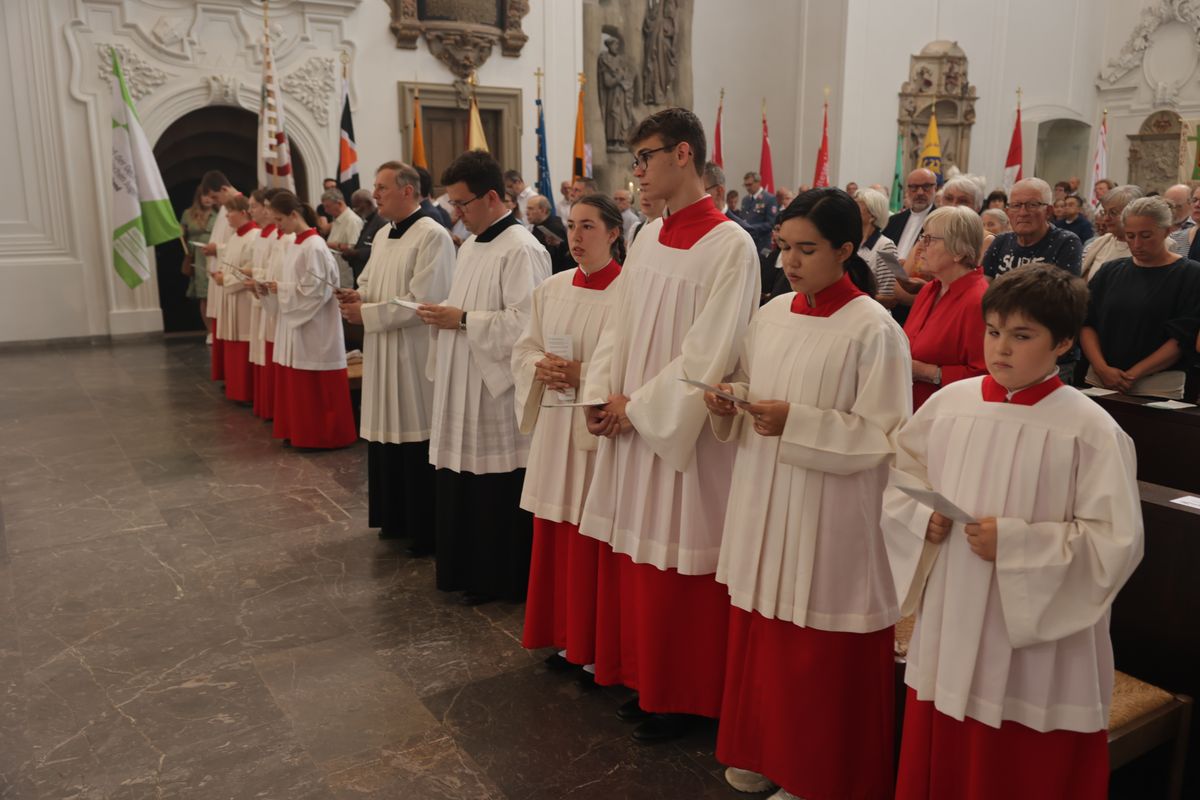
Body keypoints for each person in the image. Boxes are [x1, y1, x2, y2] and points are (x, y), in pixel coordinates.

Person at [883, 263, 1144, 800]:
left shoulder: (1091, 430)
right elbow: (902, 475)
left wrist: (1020, 543)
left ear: (1064, 343)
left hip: (1035, 631)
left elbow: (1114, 543)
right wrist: (920, 519)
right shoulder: (949, 404)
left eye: (1022, 336)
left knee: (1019, 765)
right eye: (993, 331)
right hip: (954, 606)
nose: (1001, 348)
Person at [707, 188, 909, 800]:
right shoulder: (771, 314)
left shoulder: (873, 330)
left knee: (815, 644)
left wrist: (795, 419)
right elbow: (751, 380)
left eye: (807, 249)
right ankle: (764, 749)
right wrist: (729, 397)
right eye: (784, 247)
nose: (790, 261)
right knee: (764, 625)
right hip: (766, 491)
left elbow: (885, 436)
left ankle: (817, 773)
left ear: (847, 251)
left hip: (831, 508)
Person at [580, 108, 759, 743]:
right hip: (631, 418)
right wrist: (601, 396)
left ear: (683, 155)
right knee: (637, 551)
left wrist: (644, 405)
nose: (638, 173)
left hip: (678, 430)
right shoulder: (649, 236)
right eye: (635, 161)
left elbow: (712, 349)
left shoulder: (730, 244)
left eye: (645, 158)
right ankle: (648, 680)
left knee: (680, 560)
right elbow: (618, 324)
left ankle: (685, 695)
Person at [418, 150, 551, 605]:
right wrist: (447, 317)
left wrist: (461, 320)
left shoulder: (522, 248)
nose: (456, 214)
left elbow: (526, 325)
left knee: (494, 484)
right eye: (453, 204)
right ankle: (468, 570)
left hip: (495, 393)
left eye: (462, 204)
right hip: (463, 379)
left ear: (492, 197)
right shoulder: (472, 245)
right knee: (462, 479)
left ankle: (501, 576)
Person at [516, 194, 626, 671]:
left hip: (595, 431)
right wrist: (540, 367)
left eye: (588, 227)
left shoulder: (632, 294)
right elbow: (524, 348)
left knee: (592, 538)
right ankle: (566, 635)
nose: (577, 237)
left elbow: (633, 368)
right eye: (572, 226)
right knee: (558, 533)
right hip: (554, 428)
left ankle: (597, 646)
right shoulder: (552, 288)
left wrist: (585, 375)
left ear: (614, 234)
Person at [337, 161, 455, 550]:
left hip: (413, 353)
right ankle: (394, 516)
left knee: (413, 433)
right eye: (375, 186)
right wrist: (359, 296)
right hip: (384, 349)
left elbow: (424, 301)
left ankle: (422, 527)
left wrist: (366, 313)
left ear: (408, 190)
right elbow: (370, 281)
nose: (376, 194)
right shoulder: (386, 234)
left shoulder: (432, 235)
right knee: (386, 431)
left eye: (382, 187)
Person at [1081, 196, 1200, 399]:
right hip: (1101, 379)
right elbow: (1086, 322)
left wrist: (1132, 375)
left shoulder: (1190, 275)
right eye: (1130, 236)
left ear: (1167, 230)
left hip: (1158, 386)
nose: (1136, 244)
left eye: (1146, 236)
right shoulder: (1110, 271)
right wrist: (1102, 368)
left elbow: (1182, 337)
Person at [266, 190, 357, 449]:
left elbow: (316, 290)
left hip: (315, 324)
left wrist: (281, 289)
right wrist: (275, 286)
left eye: (279, 220)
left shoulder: (314, 245)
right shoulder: (298, 242)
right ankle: (300, 432)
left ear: (294, 215)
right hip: (298, 321)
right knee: (297, 381)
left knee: (316, 385)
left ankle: (323, 436)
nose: (276, 226)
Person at [903, 206, 989, 409]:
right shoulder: (929, 290)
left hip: (949, 414)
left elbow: (985, 376)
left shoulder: (978, 301)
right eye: (922, 238)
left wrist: (928, 372)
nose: (920, 247)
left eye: (929, 239)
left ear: (958, 251)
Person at [214, 194, 259, 403]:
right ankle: (236, 390)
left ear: (243, 213)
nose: (227, 218)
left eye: (230, 213)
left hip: (245, 301)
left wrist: (228, 279)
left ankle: (248, 392)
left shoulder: (254, 237)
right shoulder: (234, 237)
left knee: (245, 341)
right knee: (233, 342)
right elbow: (228, 264)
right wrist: (220, 274)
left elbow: (252, 270)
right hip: (232, 299)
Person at [199, 171, 241, 379]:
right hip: (220, 274)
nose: (215, 202)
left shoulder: (241, 207)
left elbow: (243, 244)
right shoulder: (225, 208)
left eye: (215, 197)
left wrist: (218, 249)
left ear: (224, 189)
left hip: (233, 278)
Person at [246, 189, 278, 420]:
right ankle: (266, 405)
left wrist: (255, 274)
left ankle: (274, 407)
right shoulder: (261, 235)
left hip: (273, 301)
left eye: (255, 206)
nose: (252, 211)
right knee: (261, 352)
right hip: (260, 299)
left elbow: (275, 270)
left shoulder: (278, 236)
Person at [1081, 184, 1141, 282]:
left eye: (1113, 213)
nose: (1106, 219)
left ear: (1133, 213)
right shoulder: (1100, 243)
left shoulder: (1155, 245)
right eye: (1105, 212)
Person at [179, 186, 216, 338]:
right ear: (199, 197)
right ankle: (210, 331)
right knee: (204, 295)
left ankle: (220, 330)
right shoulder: (188, 214)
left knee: (216, 294)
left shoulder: (219, 214)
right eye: (204, 196)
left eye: (210, 196)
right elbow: (181, 232)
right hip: (197, 258)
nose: (208, 199)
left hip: (215, 256)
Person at [855, 187, 900, 307]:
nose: (850, 212)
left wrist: (853, 298)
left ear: (872, 216)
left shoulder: (886, 246)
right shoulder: (852, 243)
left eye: (857, 208)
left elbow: (890, 298)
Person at [882, 169, 936, 264]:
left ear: (935, 188)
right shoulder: (894, 221)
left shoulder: (941, 221)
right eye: (914, 187)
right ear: (907, 189)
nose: (920, 192)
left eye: (926, 186)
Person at [321, 189, 364, 288]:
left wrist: (330, 245)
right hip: (336, 270)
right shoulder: (337, 219)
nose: (326, 210)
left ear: (339, 203)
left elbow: (353, 248)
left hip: (346, 272)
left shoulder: (352, 220)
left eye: (328, 206)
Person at [342, 188, 387, 281]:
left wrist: (356, 253)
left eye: (357, 206)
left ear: (367, 203)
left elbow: (382, 249)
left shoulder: (382, 221)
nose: (355, 211)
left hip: (374, 276)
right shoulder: (368, 220)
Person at [527, 194, 571, 274]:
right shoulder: (538, 225)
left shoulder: (555, 228)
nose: (527, 213)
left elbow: (558, 259)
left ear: (543, 210)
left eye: (531, 209)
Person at [739, 171, 779, 256]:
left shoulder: (769, 199)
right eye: (745, 185)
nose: (747, 188)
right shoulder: (745, 200)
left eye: (749, 184)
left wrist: (751, 228)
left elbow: (771, 223)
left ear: (758, 183)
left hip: (761, 244)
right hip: (747, 242)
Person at [1163, 183, 1195, 255]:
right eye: (1168, 205)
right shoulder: (1157, 225)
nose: (1172, 211)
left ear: (1190, 203)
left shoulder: (1195, 228)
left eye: (1178, 206)